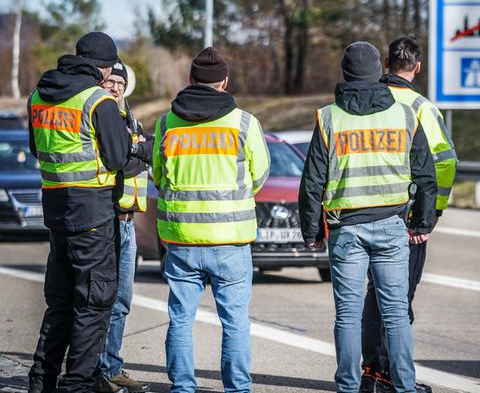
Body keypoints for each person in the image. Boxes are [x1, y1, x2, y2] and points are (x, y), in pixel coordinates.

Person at [298, 41, 437, 393]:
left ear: (344, 74)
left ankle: (348, 386)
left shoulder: (329, 117)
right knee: (395, 314)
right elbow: (425, 174)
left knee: (347, 314)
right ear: (380, 71)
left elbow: (313, 181)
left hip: (346, 229)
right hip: (392, 226)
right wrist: (422, 223)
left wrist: (312, 230)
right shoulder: (406, 115)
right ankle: (404, 386)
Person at [152, 46, 270, 393]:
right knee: (234, 321)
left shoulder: (167, 123)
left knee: (180, 319)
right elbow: (260, 175)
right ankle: (237, 388)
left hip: (182, 238)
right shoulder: (244, 123)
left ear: (190, 81)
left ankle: (183, 387)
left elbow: (158, 177)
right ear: (225, 82)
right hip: (230, 239)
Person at [27, 32, 132, 393]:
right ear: (105, 68)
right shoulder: (97, 99)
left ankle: (41, 382)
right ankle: (78, 384)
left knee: (60, 301)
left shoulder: (38, 96)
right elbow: (118, 158)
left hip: (55, 211)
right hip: (93, 213)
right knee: (93, 302)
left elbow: (38, 149)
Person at [360, 36, 458, 393]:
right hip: (406, 218)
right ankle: (388, 375)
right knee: (398, 297)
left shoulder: (364, 99)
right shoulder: (419, 106)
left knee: (373, 294)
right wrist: (433, 211)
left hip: (364, 213)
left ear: (386, 64)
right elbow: (445, 161)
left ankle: (370, 371)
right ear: (417, 67)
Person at [93, 61, 152, 393]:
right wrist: (139, 152)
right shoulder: (102, 117)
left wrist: (139, 153)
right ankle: (99, 370)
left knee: (123, 300)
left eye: (120, 82)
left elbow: (143, 157)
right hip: (108, 219)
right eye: (110, 80)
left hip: (129, 222)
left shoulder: (132, 120)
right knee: (105, 299)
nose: (115, 87)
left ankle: (111, 367)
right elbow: (123, 161)